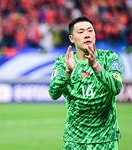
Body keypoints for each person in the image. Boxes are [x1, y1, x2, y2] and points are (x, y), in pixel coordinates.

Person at [48, 16, 123, 150]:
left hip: (106, 140)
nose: (87, 35)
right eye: (81, 32)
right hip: (74, 141)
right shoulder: (62, 62)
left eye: (90, 31)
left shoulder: (109, 57)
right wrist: (68, 72)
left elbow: (116, 88)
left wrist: (95, 67)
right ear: (72, 38)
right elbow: (53, 93)